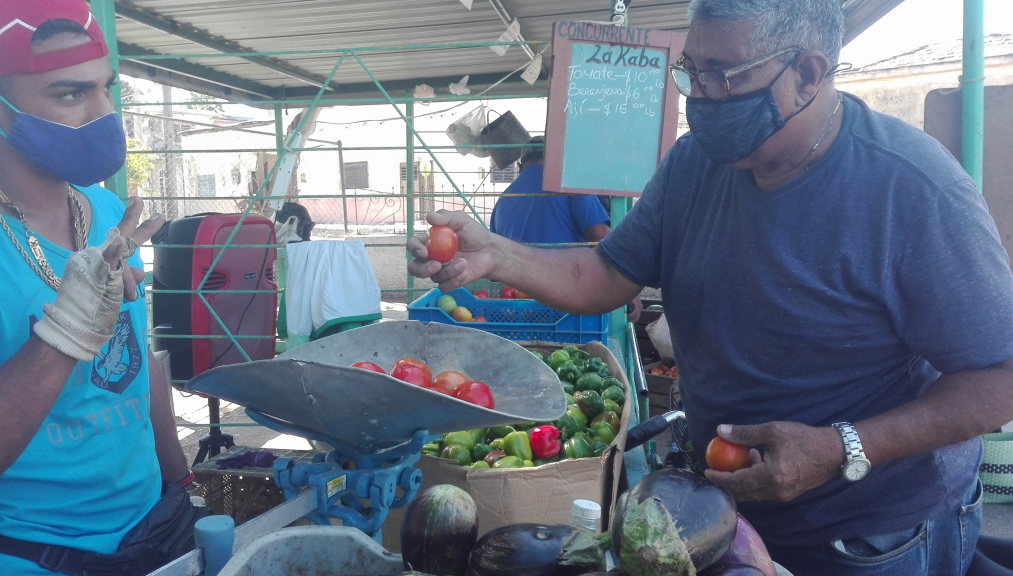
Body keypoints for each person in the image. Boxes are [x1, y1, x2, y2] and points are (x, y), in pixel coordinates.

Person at [407, 0, 1013, 574]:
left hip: (869, 536)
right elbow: (606, 275)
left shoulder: (912, 190)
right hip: (724, 518)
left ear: (806, 73)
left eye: (722, 75)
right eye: (690, 72)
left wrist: (841, 447)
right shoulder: (695, 163)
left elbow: (1000, 378)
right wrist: (498, 255)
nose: (700, 97)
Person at [0, 1, 195, 574]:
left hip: (156, 527)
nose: (105, 116)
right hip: (32, 550)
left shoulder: (106, 210)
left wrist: (179, 479)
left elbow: (136, 362)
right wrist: (63, 333)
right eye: (69, 94)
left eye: (108, 90)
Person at [490, 136, 642, 322]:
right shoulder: (566, 183)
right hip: (570, 305)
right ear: (557, 157)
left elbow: (496, 258)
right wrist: (625, 285)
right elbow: (599, 235)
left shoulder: (502, 202)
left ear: (521, 166)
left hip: (521, 308)